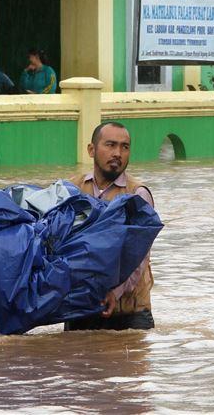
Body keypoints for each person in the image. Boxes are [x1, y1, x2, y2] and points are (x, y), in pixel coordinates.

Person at [65, 122, 157, 331]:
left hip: (130, 312)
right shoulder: (72, 189)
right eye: (111, 145)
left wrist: (115, 292)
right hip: (80, 307)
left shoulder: (137, 194)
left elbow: (139, 257)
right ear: (91, 150)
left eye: (124, 147)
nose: (118, 153)